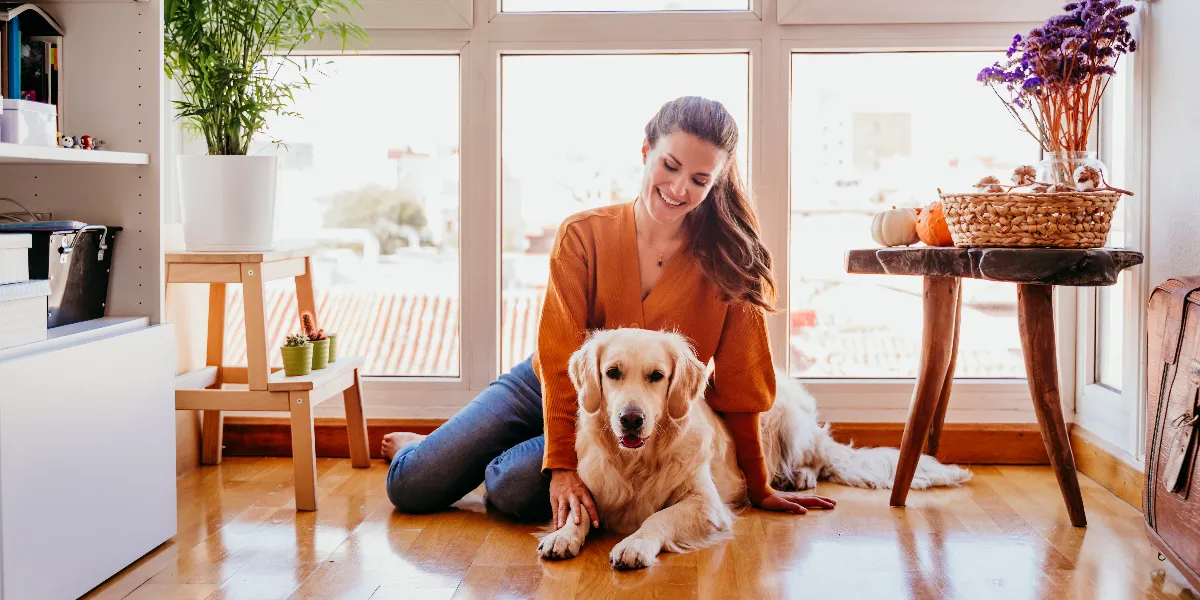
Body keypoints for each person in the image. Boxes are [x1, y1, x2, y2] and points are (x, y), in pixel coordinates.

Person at [382, 96, 836, 528]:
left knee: (512, 486)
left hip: (628, 416)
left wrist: (759, 487)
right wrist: (560, 464)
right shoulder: (582, 234)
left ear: (716, 181)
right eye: (670, 166)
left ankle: (482, 456)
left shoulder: (733, 261)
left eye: (700, 180)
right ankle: (432, 451)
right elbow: (561, 357)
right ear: (646, 151)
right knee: (412, 485)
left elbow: (742, 388)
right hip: (552, 381)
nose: (679, 189)